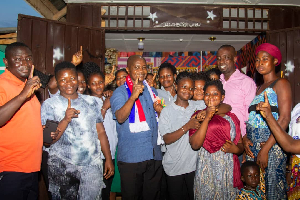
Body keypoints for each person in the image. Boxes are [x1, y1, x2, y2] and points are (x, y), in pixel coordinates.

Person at [41, 61, 114, 199]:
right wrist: (65, 120)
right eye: (63, 80)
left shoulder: (92, 102)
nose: (68, 83)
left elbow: (101, 132)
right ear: (57, 81)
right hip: (62, 167)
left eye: (72, 78)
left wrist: (108, 159)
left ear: (78, 80)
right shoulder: (50, 105)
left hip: (91, 166)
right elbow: (48, 142)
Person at [110, 55, 163, 200]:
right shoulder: (119, 92)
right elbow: (120, 117)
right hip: (132, 158)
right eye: (137, 67)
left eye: (144, 67)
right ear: (128, 70)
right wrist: (133, 96)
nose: (141, 70)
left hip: (154, 154)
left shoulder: (153, 92)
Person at [244, 43, 292, 199]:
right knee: (256, 191)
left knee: (272, 188)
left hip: (271, 145)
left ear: (275, 61)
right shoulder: (259, 87)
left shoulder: (281, 83)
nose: (260, 63)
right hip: (254, 147)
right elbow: (252, 119)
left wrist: (265, 149)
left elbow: (284, 119)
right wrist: (246, 140)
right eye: (257, 60)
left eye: (265, 59)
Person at [0, 42, 43, 199]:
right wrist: (23, 94)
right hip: (10, 167)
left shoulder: (27, 85)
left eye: (28, 58)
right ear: (6, 62)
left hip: (31, 167)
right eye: (18, 59)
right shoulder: (3, 83)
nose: (25, 63)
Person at [189, 80, 244, 200]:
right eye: (207, 94)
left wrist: (236, 149)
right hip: (206, 167)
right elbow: (195, 145)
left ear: (222, 97)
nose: (211, 97)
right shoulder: (198, 116)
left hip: (227, 167)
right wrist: (208, 117)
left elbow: (240, 145)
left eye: (215, 94)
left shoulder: (232, 118)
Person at [158, 71, 200, 200]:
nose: (188, 91)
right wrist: (187, 126)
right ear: (176, 86)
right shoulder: (167, 111)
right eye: (184, 87)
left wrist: (208, 112)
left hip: (194, 166)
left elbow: (223, 107)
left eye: (191, 88)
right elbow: (166, 139)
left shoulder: (197, 105)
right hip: (174, 167)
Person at [83, 62, 118, 200]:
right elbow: (94, 127)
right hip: (98, 155)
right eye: (94, 83)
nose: (98, 86)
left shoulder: (107, 98)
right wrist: (104, 107)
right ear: (88, 86)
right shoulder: (87, 102)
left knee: (108, 190)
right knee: (97, 191)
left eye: (100, 82)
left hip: (112, 152)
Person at [217, 45, 256, 151]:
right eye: (219, 58)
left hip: (239, 139)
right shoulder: (217, 83)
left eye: (226, 57)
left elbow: (250, 114)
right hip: (218, 135)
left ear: (234, 59)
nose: (221, 61)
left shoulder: (246, 82)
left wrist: (245, 136)